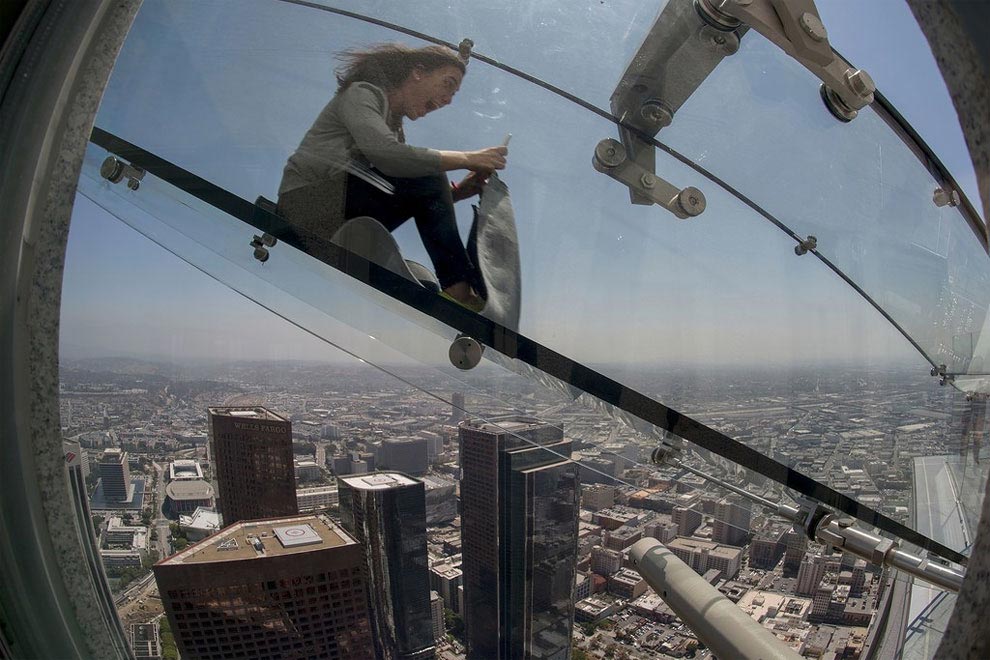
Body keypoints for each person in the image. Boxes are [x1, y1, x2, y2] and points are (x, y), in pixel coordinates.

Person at [277, 43, 508, 309]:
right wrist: (468, 159)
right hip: (302, 210)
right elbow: (389, 155)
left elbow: (407, 192)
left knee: (425, 175)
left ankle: (456, 290)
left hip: (336, 212)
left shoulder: (394, 126)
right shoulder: (361, 94)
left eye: (453, 94)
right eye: (447, 84)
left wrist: (456, 194)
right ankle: (459, 292)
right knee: (426, 170)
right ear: (418, 72)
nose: (448, 100)